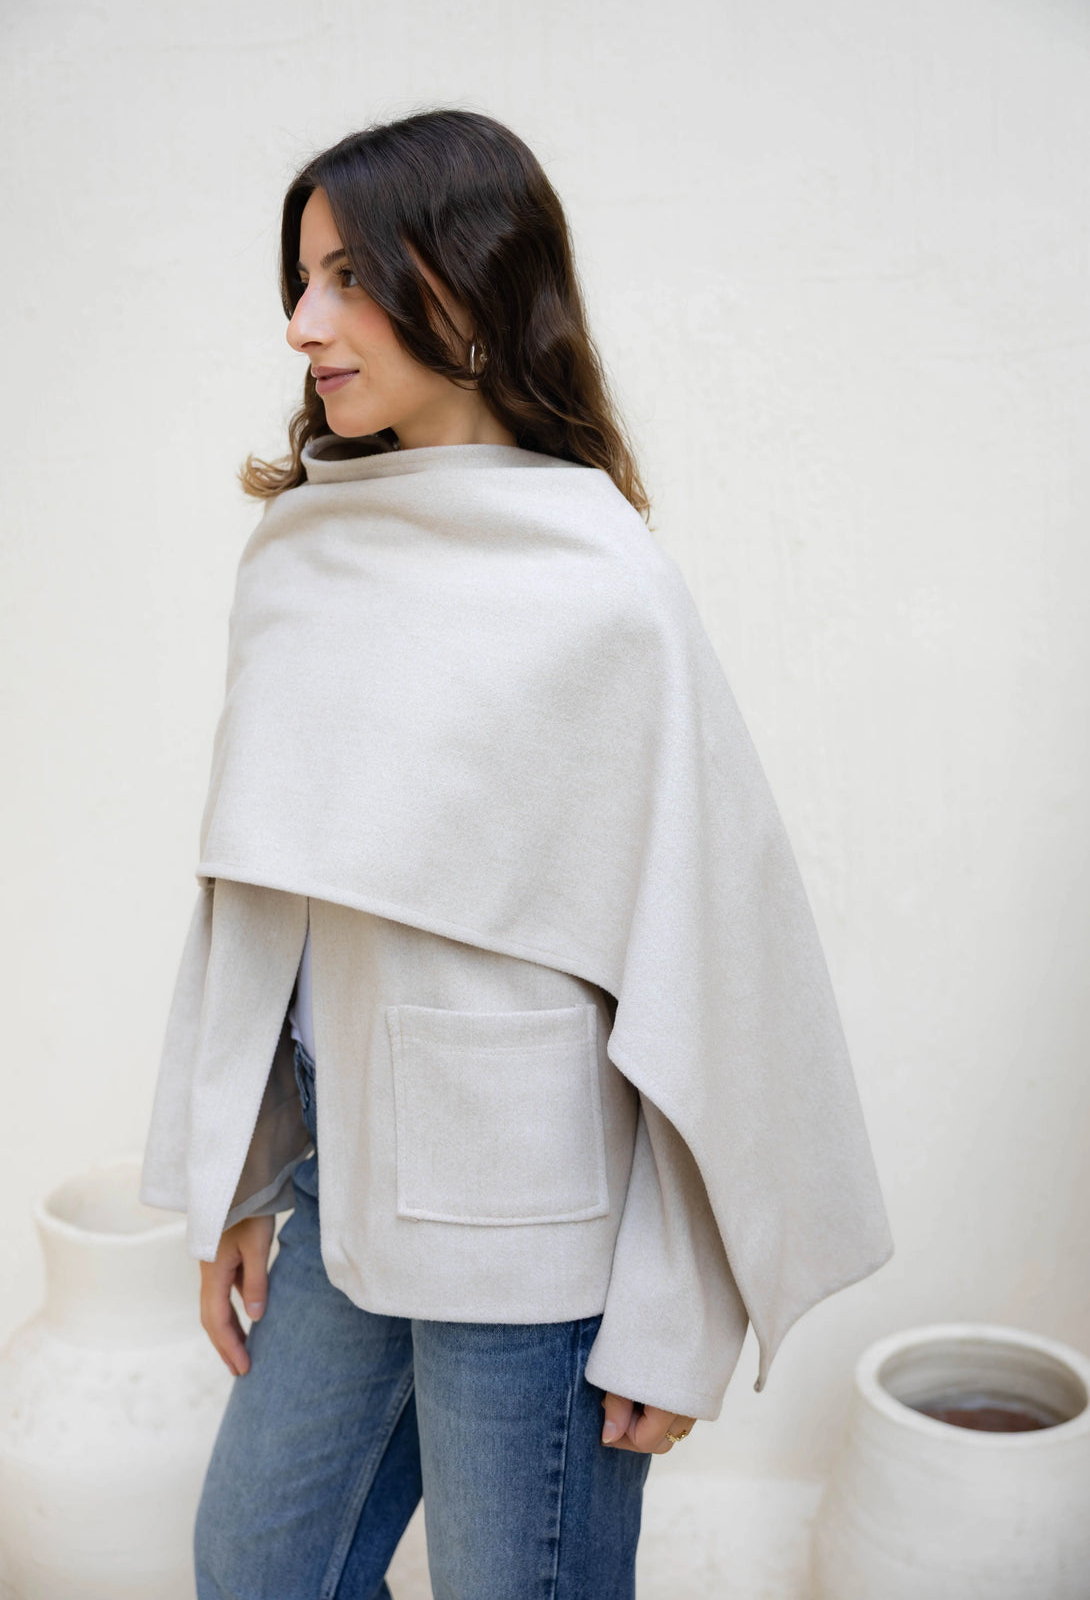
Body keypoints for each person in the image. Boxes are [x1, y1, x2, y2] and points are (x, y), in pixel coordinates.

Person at [139, 107, 893, 1600]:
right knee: (257, 1562)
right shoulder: (299, 551)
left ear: (469, 281)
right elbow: (264, 906)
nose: (302, 324)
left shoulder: (604, 587)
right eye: (301, 280)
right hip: (343, 1190)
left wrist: (678, 1306)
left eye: (349, 277)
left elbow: (710, 963)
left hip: (534, 1244)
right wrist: (243, 1177)